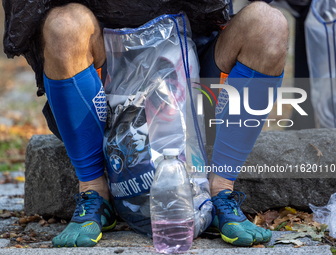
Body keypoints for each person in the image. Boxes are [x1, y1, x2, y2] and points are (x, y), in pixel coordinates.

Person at [28, 0, 288, 248]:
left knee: (267, 23)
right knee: (63, 24)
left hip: (192, 78)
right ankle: (94, 192)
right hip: (107, 76)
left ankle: (220, 191)